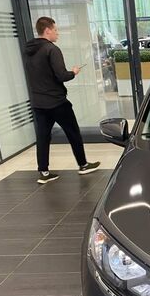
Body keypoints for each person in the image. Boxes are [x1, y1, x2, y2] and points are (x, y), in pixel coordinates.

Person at [24, 17, 100, 184]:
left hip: (38, 103)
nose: (57, 33)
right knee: (73, 132)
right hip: (56, 102)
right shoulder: (52, 49)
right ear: (47, 30)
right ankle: (83, 165)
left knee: (43, 137)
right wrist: (73, 72)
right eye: (55, 30)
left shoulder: (29, 50)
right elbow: (61, 75)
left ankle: (44, 172)